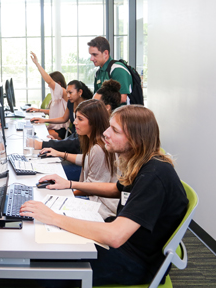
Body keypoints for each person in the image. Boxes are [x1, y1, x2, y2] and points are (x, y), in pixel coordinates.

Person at [21, 105, 188, 286]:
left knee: (46, 271)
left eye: (114, 130)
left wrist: (54, 218)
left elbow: (115, 236)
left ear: (136, 139)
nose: (105, 133)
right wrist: (69, 184)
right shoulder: (143, 163)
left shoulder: (154, 175)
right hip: (125, 246)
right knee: (48, 248)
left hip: (134, 261)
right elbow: (117, 189)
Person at [35, 99, 119, 219]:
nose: (74, 122)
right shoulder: (96, 142)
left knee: (48, 206)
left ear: (94, 122)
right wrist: (60, 153)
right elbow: (86, 159)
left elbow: (91, 188)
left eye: (80, 119)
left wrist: (67, 192)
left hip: (100, 207)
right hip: (93, 199)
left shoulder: (98, 149)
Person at [36, 79, 123, 174]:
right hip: (84, 165)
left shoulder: (105, 132)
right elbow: (87, 157)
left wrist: (70, 184)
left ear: (107, 107)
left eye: (95, 103)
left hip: (90, 173)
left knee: (50, 170)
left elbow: (81, 149)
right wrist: (60, 150)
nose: (91, 105)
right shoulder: (94, 123)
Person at [27, 51, 68, 139]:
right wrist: (37, 110)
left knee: (38, 135)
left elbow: (49, 80)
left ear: (58, 83)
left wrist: (37, 64)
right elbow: (54, 112)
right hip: (53, 126)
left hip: (61, 129)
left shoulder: (64, 92)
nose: (49, 85)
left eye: (52, 84)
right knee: (34, 130)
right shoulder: (57, 96)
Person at [87, 36, 132, 104]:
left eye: (95, 55)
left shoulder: (117, 69)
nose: (91, 59)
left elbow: (122, 98)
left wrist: (100, 103)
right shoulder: (98, 73)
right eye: (91, 55)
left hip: (122, 113)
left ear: (105, 53)